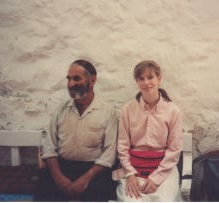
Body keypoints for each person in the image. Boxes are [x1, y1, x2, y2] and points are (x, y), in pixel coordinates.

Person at [36, 59, 118, 201]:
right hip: (61, 169)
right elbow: (49, 148)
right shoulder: (61, 111)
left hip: (94, 172)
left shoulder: (108, 112)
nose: (70, 84)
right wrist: (59, 179)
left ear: (92, 80)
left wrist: (85, 179)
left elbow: (109, 155)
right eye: (69, 79)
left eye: (76, 79)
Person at [116, 60, 183, 201]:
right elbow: (122, 146)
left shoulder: (173, 111)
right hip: (134, 168)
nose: (146, 83)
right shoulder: (127, 110)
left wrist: (156, 179)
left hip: (164, 169)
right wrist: (130, 174)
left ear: (159, 78)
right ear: (136, 81)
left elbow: (174, 149)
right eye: (141, 79)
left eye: (150, 77)